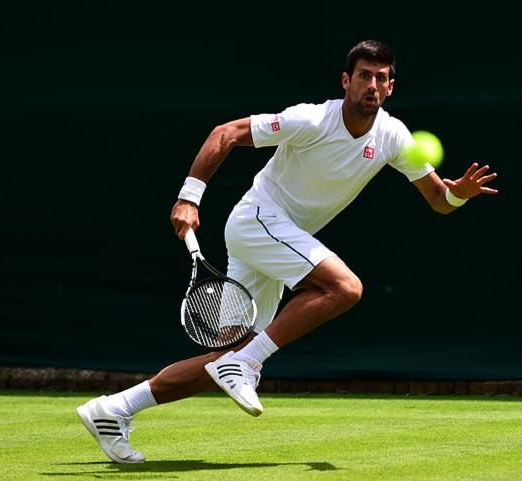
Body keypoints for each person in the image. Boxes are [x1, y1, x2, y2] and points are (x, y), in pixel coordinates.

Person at [76, 39, 498, 464]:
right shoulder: (311, 119)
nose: (372, 85)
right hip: (257, 221)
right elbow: (225, 134)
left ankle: (114, 410)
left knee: (225, 355)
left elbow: (438, 199)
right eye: (364, 76)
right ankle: (247, 363)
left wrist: (458, 195)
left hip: (278, 238)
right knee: (345, 288)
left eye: (381, 78)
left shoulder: (393, 135)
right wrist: (189, 197)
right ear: (346, 80)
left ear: (390, 87)